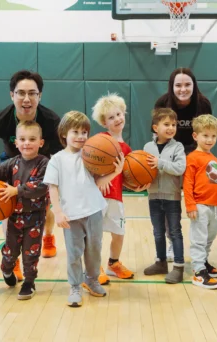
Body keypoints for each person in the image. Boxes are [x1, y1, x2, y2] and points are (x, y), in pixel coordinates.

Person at [0, 70, 61, 280]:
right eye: (21, 93)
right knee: (7, 211)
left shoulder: (51, 121)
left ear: (39, 96)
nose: (26, 99)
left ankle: (49, 236)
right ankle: (13, 258)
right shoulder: (0, 120)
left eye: (32, 93)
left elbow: (65, 157)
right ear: (12, 95)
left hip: (40, 167)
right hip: (10, 167)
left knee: (44, 209)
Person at [43, 111, 124, 307]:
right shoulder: (57, 159)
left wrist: (116, 172)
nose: (81, 136)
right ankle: (75, 286)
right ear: (64, 134)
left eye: (84, 132)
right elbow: (52, 186)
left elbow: (97, 183)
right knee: (74, 253)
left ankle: (92, 280)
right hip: (71, 215)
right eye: (76, 132)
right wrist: (58, 211)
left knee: (94, 250)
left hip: (94, 210)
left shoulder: (91, 155)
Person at [0, 121, 49, 300]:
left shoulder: (45, 163)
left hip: (35, 217)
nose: (27, 143)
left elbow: (41, 186)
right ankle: (7, 270)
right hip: (13, 217)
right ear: (16, 143)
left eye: (32, 139)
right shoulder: (11, 164)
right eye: (22, 139)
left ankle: (29, 282)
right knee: (10, 251)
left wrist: (17, 190)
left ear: (41, 142)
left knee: (31, 252)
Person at [155, 67, 213, 261]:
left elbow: (207, 131)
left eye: (187, 84)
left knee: (199, 201)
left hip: (195, 152)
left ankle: (202, 246)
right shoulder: (163, 103)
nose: (183, 89)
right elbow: (157, 135)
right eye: (178, 85)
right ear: (172, 86)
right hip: (171, 152)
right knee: (169, 201)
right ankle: (172, 242)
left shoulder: (203, 103)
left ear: (194, 85)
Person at [91, 94, 148, 285]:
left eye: (118, 114)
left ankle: (113, 264)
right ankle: (94, 267)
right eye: (111, 117)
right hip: (97, 197)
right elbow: (89, 167)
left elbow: (126, 177)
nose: (117, 119)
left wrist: (139, 185)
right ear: (104, 123)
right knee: (95, 234)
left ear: (124, 113)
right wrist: (98, 178)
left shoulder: (127, 149)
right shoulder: (99, 141)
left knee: (119, 233)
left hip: (116, 197)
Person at [143, 108, 186, 283]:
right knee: (158, 232)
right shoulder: (147, 147)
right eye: (166, 124)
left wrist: (160, 163)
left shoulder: (178, 147)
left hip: (172, 196)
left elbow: (179, 168)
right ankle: (160, 262)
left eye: (174, 125)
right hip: (153, 195)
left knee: (174, 232)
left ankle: (178, 266)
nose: (171, 128)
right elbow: (143, 171)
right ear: (155, 127)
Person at [183, 114, 217, 290]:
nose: (210, 139)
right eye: (205, 135)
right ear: (195, 136)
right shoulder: (192, 157)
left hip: (216, 205)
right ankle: (198, 272)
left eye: (213, 136)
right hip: (200, 205)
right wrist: (190, 205)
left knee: (209, 238)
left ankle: (204, 262)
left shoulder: (214, 159)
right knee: (199, 239)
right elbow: (188, 183)